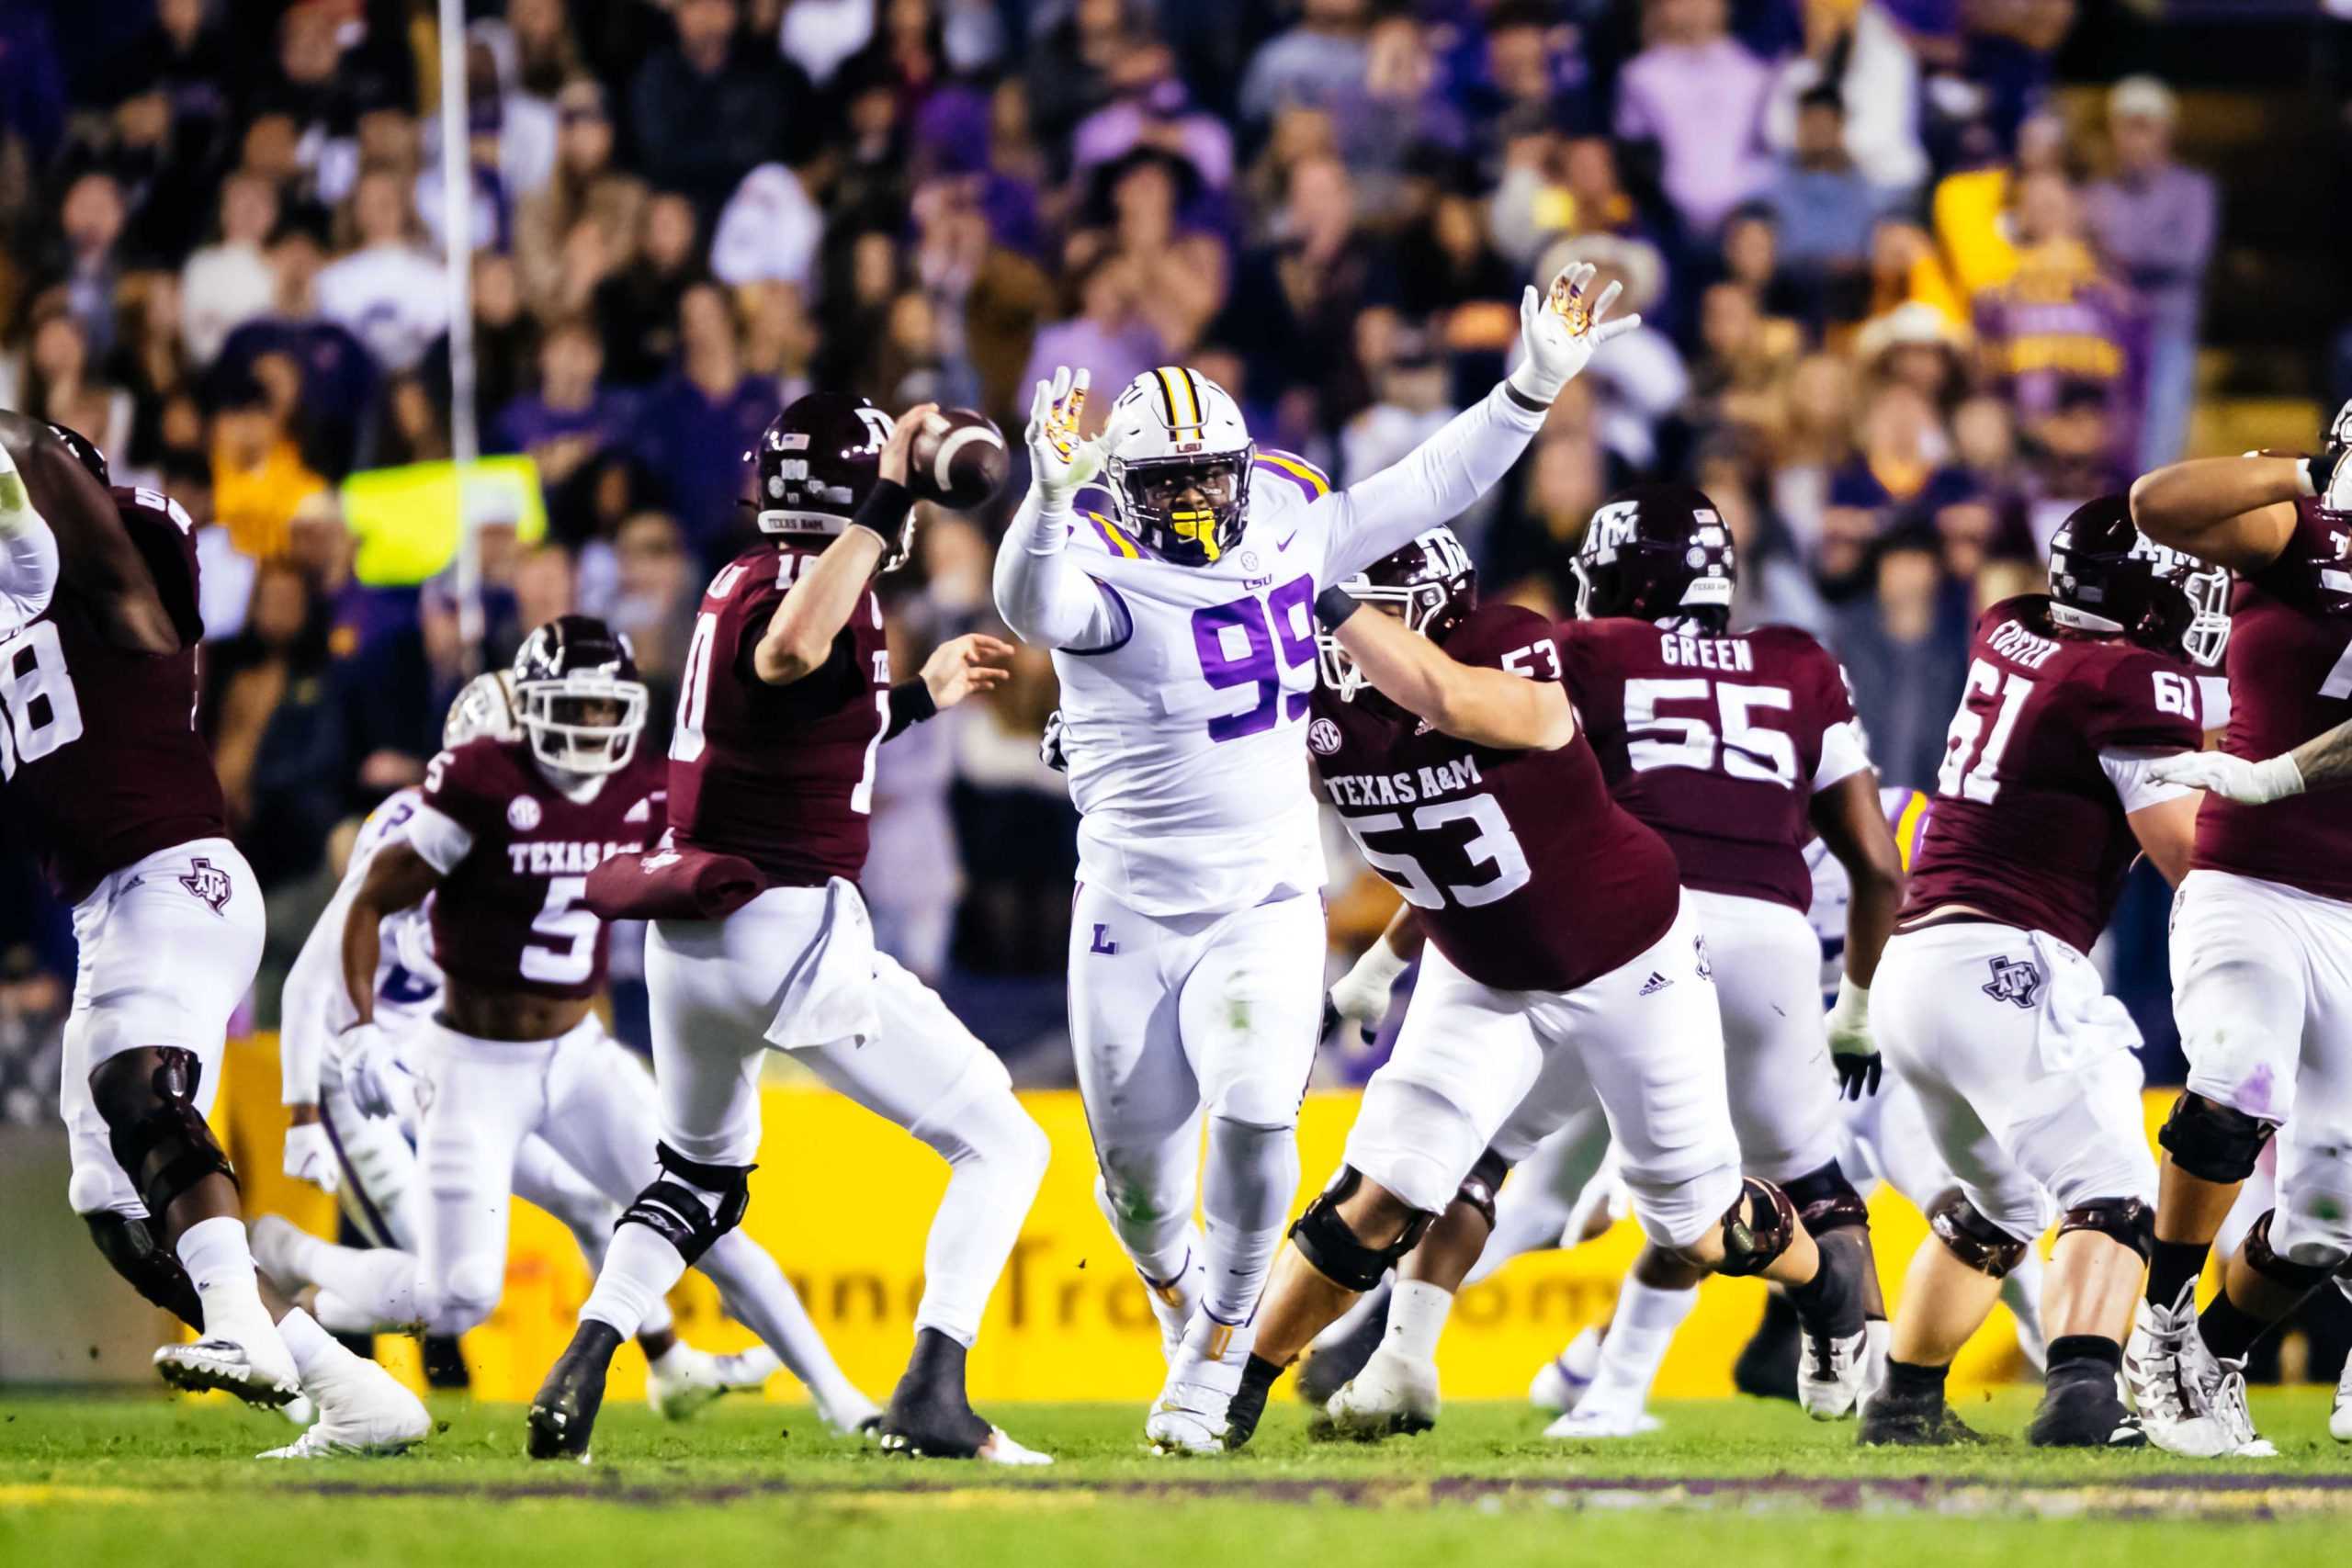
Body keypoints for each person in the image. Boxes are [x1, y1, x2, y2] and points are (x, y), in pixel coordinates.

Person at [990, 264, 1635, 1453]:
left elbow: (1429, 480)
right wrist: (1041, 497)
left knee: (1255, 1121)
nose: (1194, 505)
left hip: (1266, 896)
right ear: (1121, 489)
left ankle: (1216, 1358)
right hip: (1128, 905)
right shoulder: (1088, 553)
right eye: (1169, 485)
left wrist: (1533, 385)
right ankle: (1180, 1296)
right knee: (1136, 1191)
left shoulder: (1290, 515)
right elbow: (1030, 607)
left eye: (1209, 480)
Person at [1213, 525, 1870, 1450]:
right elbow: (1245, 773)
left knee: (1691, 1222)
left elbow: (1444, 696)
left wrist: (1323, 591)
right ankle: (1233, 1391)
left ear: (1437, 613)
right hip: (1479, 965)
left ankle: (1820, 1283)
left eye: (1376, 615)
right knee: (1387, 1181)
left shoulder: (1510, 652)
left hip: (1625, 954)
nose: (1345, 641)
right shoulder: (1326, 701)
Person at [527, 396, 1050, 1465]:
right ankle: (931, 1398)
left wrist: (914, 699)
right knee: (1005, 1141)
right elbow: (788, 654)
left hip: (694, 936)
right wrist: (894, 484)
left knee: (697, 1179)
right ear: (854, 492)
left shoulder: (735, 577)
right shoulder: (798, 589)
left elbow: (793, 724)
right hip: (786, 928)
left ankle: (582, 1359)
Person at [311, 615, 881, 1438]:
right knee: (462, 1292)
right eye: (568, 710)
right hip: (466, 1061)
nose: (586, 729)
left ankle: (839, 1397)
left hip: (575, 1053)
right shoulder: (473, 787)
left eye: (600, 709)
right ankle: (299, 1296)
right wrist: (362, 1031)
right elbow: (368, 900)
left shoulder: (640, 789)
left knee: (707, 1210)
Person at [0, 411, 426, 1458]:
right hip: (109, 910)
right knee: (113, 1206)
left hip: (179, 877)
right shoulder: (18, 609)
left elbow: (41, 493)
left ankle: (240, 1327)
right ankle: (353, 1390)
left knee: (135, 1085)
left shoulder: (118, 565)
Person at [1479, 481, 1904, 1439]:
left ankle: (1394, 1343)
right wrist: (1857, 1011)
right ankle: (1866, 1371)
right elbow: (1878, 866)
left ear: (1621, 577)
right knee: (1816, 1176)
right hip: (1775, 941)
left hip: (1634, 930)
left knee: (1505, 1151)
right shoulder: (1798, 660)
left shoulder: (1590, 651)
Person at [1854, 494, 2230, 1450]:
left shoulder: (2010, 628)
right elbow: (2184, 852)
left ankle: (1902, 1402)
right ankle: (2082, 1399)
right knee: (2111, 1195)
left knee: (1997, 1205)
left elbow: (2104, 693)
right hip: (2008, 960)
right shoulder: (2131, 682)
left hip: (1916, 969)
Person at [2117, 413, 2352, 1457]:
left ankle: (2210, 1352)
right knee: (2236, 1076)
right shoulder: (2300, 530)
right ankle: (2157, 1329)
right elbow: (2153, 506)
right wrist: (2307, 474)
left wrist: (2283, 772)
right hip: (2249, 878)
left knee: (2328, 1213)